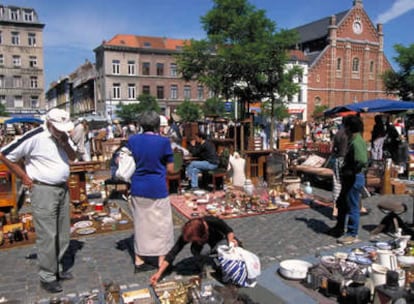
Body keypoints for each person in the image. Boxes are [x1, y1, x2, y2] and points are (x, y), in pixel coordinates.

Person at [0, 109, 76, 293]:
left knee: (63, 232)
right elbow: (5, 154)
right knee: (48, 234)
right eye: (58, 128)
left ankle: (56, 267)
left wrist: (65, 143)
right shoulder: (35, 136)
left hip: (62, 188)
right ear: (49, 123)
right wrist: (24, 177)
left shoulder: (63, 136)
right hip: (43, 189)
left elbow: (73, 158)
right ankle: (47, 276)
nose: (61, 131)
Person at [126, 111, 175, 272]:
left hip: (138, 186)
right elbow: (171, 168)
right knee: (161, 225)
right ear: (156, 125)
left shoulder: (132, 140)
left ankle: (139, 260)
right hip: (157, 186)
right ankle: (161, 260)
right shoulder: (163, 142)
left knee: (141, 224)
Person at [150, 216, 239, 286]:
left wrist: (231, 241)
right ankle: (206, 264)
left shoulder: (212, 221)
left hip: (221, 242)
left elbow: (229, 231)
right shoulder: (191, 230)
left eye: (196, 240)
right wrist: (159, 273)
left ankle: (223, 266)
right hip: (208, 246)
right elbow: (173, 253)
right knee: (195, 250)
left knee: (221, 249)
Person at [334, 115, 368, 245]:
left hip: (354, 177)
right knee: (341, 202)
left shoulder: (357, 141)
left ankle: (352, 234)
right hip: (350, 176)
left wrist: (352, 169)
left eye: (344, 126)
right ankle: (339, 227)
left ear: (348, 127)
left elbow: (362, 160)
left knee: (353, 206)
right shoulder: (353, 139)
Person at [330, 119, 348, 219]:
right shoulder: (349, 134)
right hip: (346, 160)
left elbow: (333, 150)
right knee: (350, 184)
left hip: (338, 159)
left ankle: (335, 210)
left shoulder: (338, 134)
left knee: (337, 184)